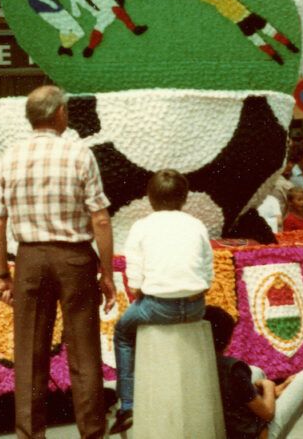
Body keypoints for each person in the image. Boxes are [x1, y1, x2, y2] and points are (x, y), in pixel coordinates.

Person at [0, 85, 115, 439]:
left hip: (29, 258)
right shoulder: (78, 154)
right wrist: (107, 273)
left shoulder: (9, 156)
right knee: (84, 351)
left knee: (29, 353)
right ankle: (92, 432)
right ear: (60, 113)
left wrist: (2, 274)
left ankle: (30, 434)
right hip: (74, 258)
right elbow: (101, 220)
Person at [108, 169, 213, 434]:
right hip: (195, 307)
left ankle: (128, 405)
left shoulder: (142, 226)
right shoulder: (196, 224)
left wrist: (147, 295)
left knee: (122, 332)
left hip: (156, 307)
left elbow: (134, 281)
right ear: (184, 198)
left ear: (150, 198)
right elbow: (208, 273)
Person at [204, 306, 303, 439]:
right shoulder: (233, 369)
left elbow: (236, 396)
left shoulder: (203, 365)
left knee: (255, 372)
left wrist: (277, 389)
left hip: (229, 431)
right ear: (228, 340)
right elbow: (268, 413)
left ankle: (276, 391)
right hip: (258, 435)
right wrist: (269, 386)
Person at [189, 0, 299, 66]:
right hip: (240, 23)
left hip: (249, 15)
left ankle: (289, 45)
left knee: (271, 31)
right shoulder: (212, 1)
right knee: (257, 40)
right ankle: (275, 56)